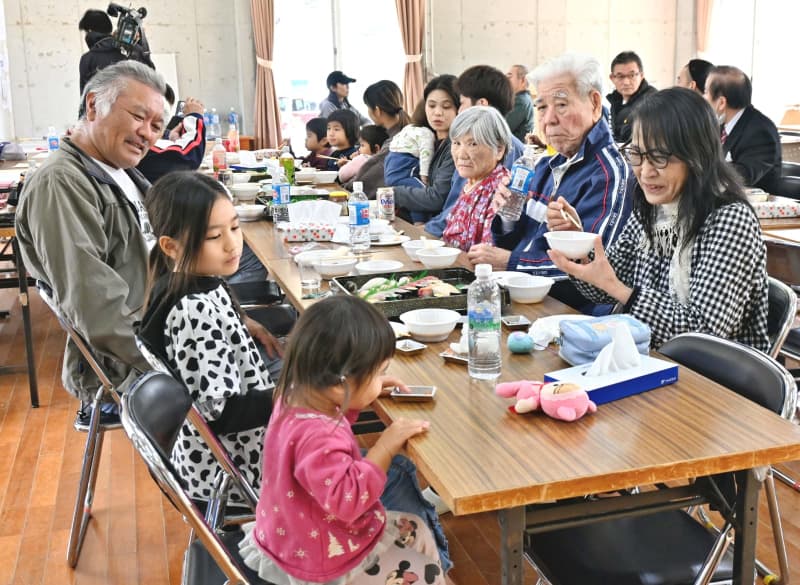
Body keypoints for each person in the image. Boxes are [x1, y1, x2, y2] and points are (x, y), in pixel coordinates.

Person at [237, 295, 446, 584]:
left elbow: (328, 437)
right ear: (340, 383)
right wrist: (385, 445)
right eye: (379, 372)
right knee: (426, 572)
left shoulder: (295, 393)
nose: (382, 378)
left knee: (418, 529)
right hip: (324, 558)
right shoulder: (319, 435)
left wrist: (362, 392)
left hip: (291, 532)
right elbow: (348, 501)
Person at [547, 87, 769, 352]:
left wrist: (621, 291)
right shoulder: (651, 209)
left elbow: (704, 334)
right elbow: (604, 287)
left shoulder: (729, 219)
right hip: (652, 360)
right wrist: (580, 248)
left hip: (716, 383)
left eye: (660, 157)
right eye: (638, 155)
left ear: (697, 156)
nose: (645, 171)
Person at [16, 61, 166, 427]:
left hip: (167, 333)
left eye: (157, 126)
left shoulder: (119, 171)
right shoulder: (61, 183)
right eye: (138, 116)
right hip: (128, 367)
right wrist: (171, 358)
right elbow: (96, 306)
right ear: (93, 105)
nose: (147, 133)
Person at [138, 171, 275, 503]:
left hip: (235, 457)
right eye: (214, 236)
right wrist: (297, 396)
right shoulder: (192, 310)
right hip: (236, 474)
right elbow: (224, 415)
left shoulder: (192, 282)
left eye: (235, 227)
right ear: (170, 246)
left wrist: (246, 324)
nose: (232, 244)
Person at [482, 52, 631, 313]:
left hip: (569, 312)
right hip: (524, 298)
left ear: (594, 104)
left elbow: (596, 269)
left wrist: (510, 262)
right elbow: (516, 241)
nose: (548, 119)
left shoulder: (609, 175)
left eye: (561, 105)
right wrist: (507, 215)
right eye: (541, 107)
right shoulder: (543, 167)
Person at [425, 65, 525, 235]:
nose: (459, 110)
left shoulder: (501, 153)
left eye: (462, 103)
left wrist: (428, 232)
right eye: (456, 144)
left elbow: (483, 227)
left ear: (482, 105)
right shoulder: (471, 149)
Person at [442, 106, 512, 251]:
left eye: (472, 144)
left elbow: (489, 254)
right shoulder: (471, 182)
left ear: (499, 150)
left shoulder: (503, 189)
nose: (461, 154)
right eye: (456, 143)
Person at [391, 75, 459, 224]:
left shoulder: (457, 146)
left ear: (459, 108)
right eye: (432, 105)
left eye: (446, 106)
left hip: (438, 225)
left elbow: (436, 198)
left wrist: (393, 192)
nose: (437, 112)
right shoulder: (423, 138)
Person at [703, 65, 782, 194]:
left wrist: (700, 166)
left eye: (706, 92)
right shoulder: (722, 126)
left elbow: (744, 175)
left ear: (721, 102)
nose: (703, 97)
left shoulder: (760, 131)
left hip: (753, 207)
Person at [342, 80, 411, 197]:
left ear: (377, 111)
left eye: (368, 108)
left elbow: (363, 184)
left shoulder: (394, 143)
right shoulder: (405, 131)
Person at [78, 8, 154, 93]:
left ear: (90, 30)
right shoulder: (132, 49)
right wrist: (141, 45)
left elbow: (85, 100)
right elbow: (152, 80)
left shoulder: (88, 59)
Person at [137, 96, 206, 183]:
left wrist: (169, 140)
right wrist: (194, 116)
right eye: (138, 117)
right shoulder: (139, 150)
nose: (146, 133)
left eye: (155, 126)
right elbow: (186, 158)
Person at [606, 51, 657, 143]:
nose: (626, 82)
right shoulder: (613, 101)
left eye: (632, 75)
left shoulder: (652, 101)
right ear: (612, 78)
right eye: (620, 76)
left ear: (641, 75)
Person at [385, 101, 435, 188]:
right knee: (423, 190)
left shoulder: (409, 127)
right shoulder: (427, 133)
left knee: (394, 182)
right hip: (405, 160)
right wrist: (424, 176)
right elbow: (426, 154)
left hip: (390, 158)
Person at [505, 64, 534, 142]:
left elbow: (502, 129)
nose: (506, 79)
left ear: (523, 80)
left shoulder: (520, 101)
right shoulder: (523, 98)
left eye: (510, 76)